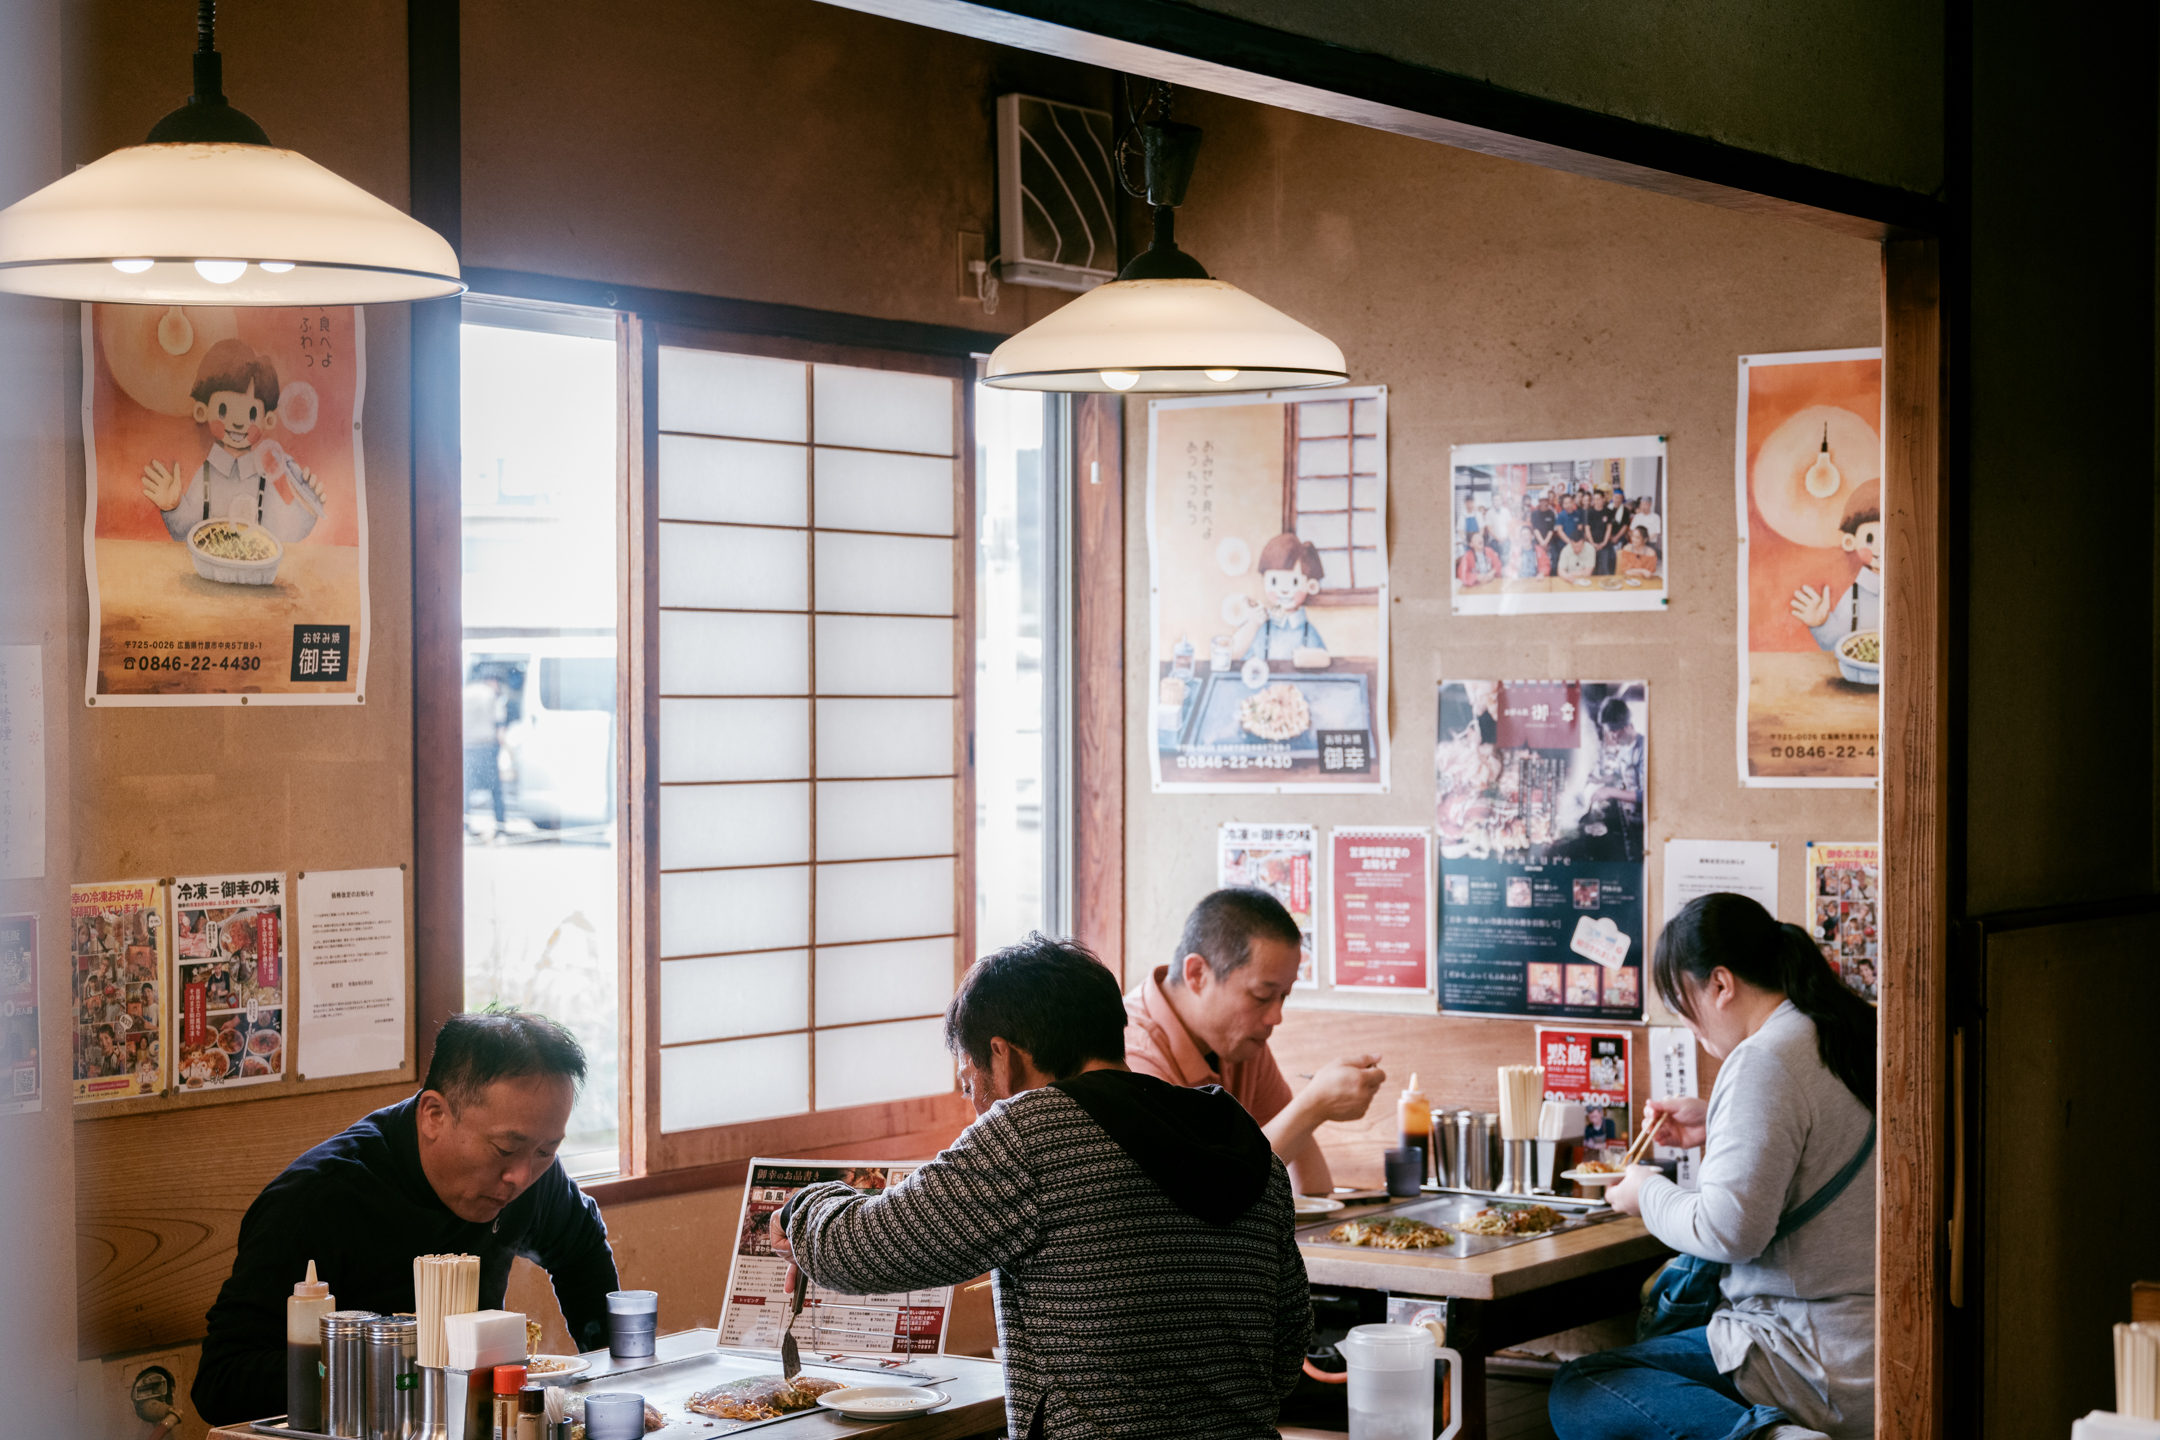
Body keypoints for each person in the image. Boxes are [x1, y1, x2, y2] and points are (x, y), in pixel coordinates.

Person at [772, 936, 1311, 1440]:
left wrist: (802, 1206)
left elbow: (859, 1249)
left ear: (1002, 1056)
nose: (975, 1103)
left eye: (969, 1082)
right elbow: (1287, 1348)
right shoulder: (1238, 1135)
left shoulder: (1034, 1130)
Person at [1549, 893, 1877, 1440]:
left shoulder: (1763, 1058)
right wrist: (1716, 1120)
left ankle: (1775, 1438)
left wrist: (1645, 1191)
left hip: (1806, 1355)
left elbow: (1727, 1231)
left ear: (1721, 985)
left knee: (1582, 1388)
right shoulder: (1834, 1028)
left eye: (1685, 1008)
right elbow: (1819, 1141)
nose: (1693, 1032)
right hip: (1865, 1343)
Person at [193, 1012, 619, 1425]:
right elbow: (221, 1381)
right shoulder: (317, 1199)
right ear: (434, 1115)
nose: (521, 1177)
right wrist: (382, 1366)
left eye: (546, 1151)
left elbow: (581, 1251)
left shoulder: (528, 1175)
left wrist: (610, 1381)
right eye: (504, 1149)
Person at [1123, 888, 1384, 1196]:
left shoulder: (1239, 1043)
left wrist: (1311, 1112)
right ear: (1197, 974)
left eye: (1284, 996)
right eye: (1262, 996)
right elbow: (1203, 1194)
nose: (1276, 1017)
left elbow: (1313, 1192)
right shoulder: (1130, 1052)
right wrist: (1311, 1107)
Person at [141, 338, 326, 544]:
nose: (238, 423)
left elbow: (285, 532)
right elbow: (185, 533)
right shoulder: (206, 475)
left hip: (255, 562)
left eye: (252, 414)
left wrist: (306, 509)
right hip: (209, 560)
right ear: (202, 412)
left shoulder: (262, 478)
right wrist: (173, 507)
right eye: (223, 411)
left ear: (268, 420)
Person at [1790, 480, 1881, 651]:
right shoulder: (1855, 596)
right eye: (1870, 539)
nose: (1880, 548)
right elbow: (1837, 645)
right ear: (1850, 542)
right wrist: (1821, 624)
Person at [1229, 532, 1329, 663]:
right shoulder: (1262, 625)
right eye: (1274, 581)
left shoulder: (1306, 630)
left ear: (1310, 586)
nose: (1284, 590)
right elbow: (1231, 653)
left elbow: (1325, 659)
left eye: (1294, 582)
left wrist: (1309, 658)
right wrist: (1252, 625)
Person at [463, 671, 507, 835]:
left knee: (466, 789)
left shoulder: (464, 692)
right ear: (492, 680)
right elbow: (500, 727)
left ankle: (464, 828)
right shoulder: (492, 695)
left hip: (466, 747)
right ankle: (500, 828)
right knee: (496, 790)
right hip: (486, 747)